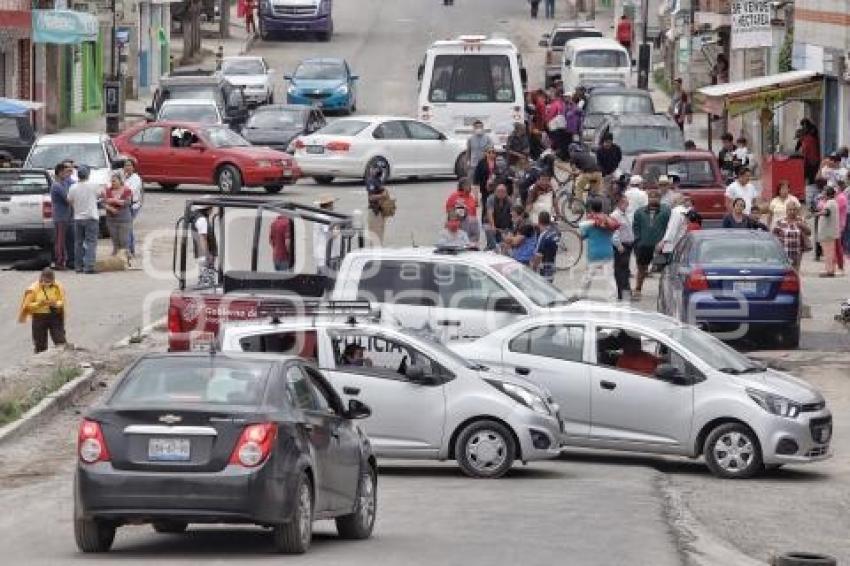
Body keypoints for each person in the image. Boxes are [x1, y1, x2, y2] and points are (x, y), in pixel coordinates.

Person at [17, 268, 67, 354]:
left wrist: (55, 303)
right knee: (40, 344)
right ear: (41, 278)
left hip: (55, 316)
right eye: (45, 281)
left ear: (53, 280)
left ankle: (63, 362)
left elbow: (62, 301)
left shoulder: (58, 286)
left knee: (60, 341)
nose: (47, 284)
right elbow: (27, 306)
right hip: (39, 317)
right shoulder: (33, 289)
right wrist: (39, 304)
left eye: (49, 282)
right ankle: (40, 362)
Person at [632, 189, 671, 297]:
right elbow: (635, 227)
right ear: (648, 199)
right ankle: (638, 288)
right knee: (641, 268)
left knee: (664, 269)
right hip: (644, 245)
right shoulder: (640, 212)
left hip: (660, 246)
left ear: (660, 199)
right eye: (651, 197)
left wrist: (664, 241)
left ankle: (665, 292)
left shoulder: (666, 211)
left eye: (656, 197)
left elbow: (669, 227)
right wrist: (638, 241)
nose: (653, 199)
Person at [579, 198, 619, 300]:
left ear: (591, 208)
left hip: (593, 254)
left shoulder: (590, 222)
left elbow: (582, 236)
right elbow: (613, 230)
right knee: (609, 278)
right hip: (607, 253)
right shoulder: (608, 220)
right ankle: (612, 299)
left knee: (587, 278)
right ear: (601, 208)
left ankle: (582, 297)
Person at [67, 165, 103, 274]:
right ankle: (89, 266)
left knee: (78, 242)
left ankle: (78, 266)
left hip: (78, 217)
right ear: (88, 174)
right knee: (91, 242)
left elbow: (69, 200)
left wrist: (76, 207)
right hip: (91, 217)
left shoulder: (73, 187)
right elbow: (101, 195)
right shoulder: (93, 185)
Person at [50, 162, 75, 270]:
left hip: (67, 216)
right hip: (60, 217)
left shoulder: (64, 183)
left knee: (67, 240)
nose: (67, 174)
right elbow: (68, 199)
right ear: (60, 173)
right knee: (60, 241)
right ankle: (59, 262)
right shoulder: (57, 185)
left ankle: (67, 260)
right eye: (65, 172)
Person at [773, 201, 811, 272]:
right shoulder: (780, 222)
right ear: (786, 210)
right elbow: (774, 235)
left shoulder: (801, 220)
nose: (792, 212)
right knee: (785, 271)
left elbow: (809, 233)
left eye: (794, 209)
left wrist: (801, 225)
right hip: (784, 252)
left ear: (797, 211)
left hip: (797, 252)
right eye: (790, 210)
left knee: (795, 271)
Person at [103, 172, 133, 258]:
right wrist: (110, 208)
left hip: (124, 220)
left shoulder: (127, 190)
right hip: (111, 220)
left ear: (120, 181)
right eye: (111, 181)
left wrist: (114, 200)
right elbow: (103, 202)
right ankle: (116, 259)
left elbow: (128, 202)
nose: (112, 183)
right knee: (115, 241)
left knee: (124, 241)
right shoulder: (108, 190)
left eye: (114, 181)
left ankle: (126, 258)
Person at [611, 194, 635, 301]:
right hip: (621, 246)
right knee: (621, 271)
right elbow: (614, 232)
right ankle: (623, 294)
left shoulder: (625, 214)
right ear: (619, 203)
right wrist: (618, 245)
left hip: (628, 245)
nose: (627, 204)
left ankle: (626, 293)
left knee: (625, 270)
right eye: (625, 202)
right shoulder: (615, 215)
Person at [190, 203, 218, 286]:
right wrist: (207, 255)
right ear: (208, 209)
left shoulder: (199, 217)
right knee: (207, 284)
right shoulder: (202, 220)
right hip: (204, 256)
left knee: (205, 281)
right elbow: (203, 238)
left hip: (202, 256)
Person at [445, 179, 480, 245]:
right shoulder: (454, 196)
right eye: (468, 185)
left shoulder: (471, 197)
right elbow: (449, 210)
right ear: (463, 186)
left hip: (471, 225)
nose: (470, 187)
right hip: (458, 224)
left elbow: (474, 212)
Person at [815, 186, 840, 277]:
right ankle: (830, 269)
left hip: (828, 233)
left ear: (827, 194)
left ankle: (829, 271)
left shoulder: (830, 203)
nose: (822, 194)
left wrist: (815, 214)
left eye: (824, 192)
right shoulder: (833, 202)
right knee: (830, 252)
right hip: (830, 233)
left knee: (828, 253)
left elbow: (826, 212)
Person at [313, 195, 339, 275]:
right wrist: (338, 228)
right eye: (332, 204)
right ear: (328, 205)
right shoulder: (324, 218)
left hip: (323, 254)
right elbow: (332, 234)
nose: (333, 206)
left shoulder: (319, 215)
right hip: (327, 255)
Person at [531, 211, 560, 283]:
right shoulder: (556, 231)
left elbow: (538, 256)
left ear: (539, 221)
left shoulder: (543, 236)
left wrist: (533, 269)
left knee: (544, 288)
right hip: (552, 264)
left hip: (544, 267)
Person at [123, 160, 143, 259]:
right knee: (127, 228)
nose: (127, 167)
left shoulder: (136, 178)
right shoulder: (124, 177)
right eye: (126, 165)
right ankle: (128, 250)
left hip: (133, 206)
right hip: (125, 205)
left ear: (133, 167)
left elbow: (130, 191)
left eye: (129, 165)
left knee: (128, 227)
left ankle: (130, 250)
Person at [485, 182, 513, 250]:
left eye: (503, 191)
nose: (501, 193)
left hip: (505, 226)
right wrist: (493, 225)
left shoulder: (509, 200)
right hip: (494, 224)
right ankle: (493, 247)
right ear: (495, 192)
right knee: (488, 228)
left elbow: (513, 213)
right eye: (498, 191)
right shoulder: (490, 199)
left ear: (506, 193)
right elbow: (490, 213)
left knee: (508, 236)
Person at [365, 164, 389, 245]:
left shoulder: (378, 180)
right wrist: (382, 195)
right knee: (375, 236)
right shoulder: (371, 180)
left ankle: (378, 252)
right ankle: (374, 254)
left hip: (380, 211)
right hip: (374, 211)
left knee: (379, 234)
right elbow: (371, 197)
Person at [797, 118, 821, 184]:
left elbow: (812, 133)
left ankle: (811, 182)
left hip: (813, 155)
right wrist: (796, 149)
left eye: (805, 124)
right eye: (803, 125)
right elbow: (799, 142)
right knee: (805, 170)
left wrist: (803, 132)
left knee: (812, 170)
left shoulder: (813, 129)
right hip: (806, 155)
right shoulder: (803, 133)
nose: (804, 126)